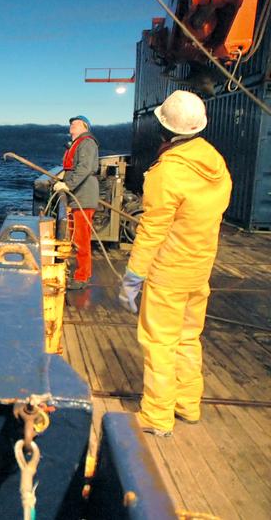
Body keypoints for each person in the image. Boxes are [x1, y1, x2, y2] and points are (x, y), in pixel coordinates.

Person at [119, 90, 232, 437]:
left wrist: (133, 275)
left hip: (168, 273)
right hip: (199, 270)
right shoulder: (215, 164)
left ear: (164, 128)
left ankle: (156, 415)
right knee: (188, 337)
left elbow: (152, 230)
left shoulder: (168, 173)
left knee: (160, 342)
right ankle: (187, 403)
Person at [53, 115, 100, 290]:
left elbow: (84, 168)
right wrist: (61, 177)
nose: (72, 125)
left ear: (85, 127)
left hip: (83, 197)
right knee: (75, 237)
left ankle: (82, 277)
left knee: (82, 238)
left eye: (76, 123)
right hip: (77, 196)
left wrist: (67, 184)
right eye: (71, 123)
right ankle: (79, 272)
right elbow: (71, 167)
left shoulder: (87, 143)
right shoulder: (76, 144)